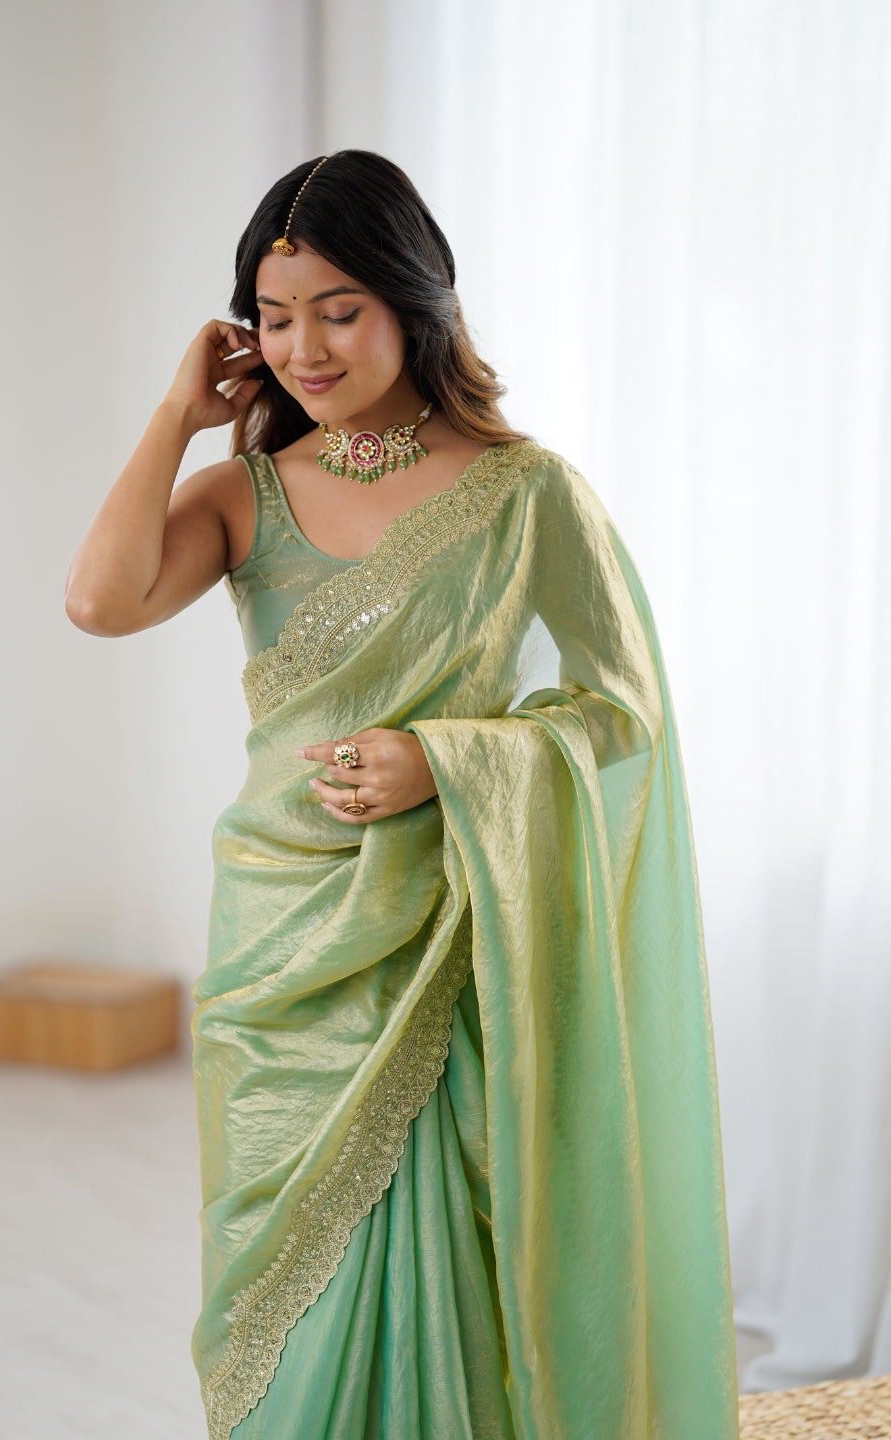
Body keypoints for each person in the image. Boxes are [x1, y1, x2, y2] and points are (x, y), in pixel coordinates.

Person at [65, 150, 740, 1440]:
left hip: (446, 933)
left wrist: (444, 759)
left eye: (339, 311)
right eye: (274, 318)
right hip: (280, 936)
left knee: (453, 1257)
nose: (304, 350)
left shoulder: (527, 492)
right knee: (279, 1292)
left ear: (414, 299)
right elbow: (101, 603)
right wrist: (175, 417)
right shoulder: (247, 494)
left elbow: (625, 709)